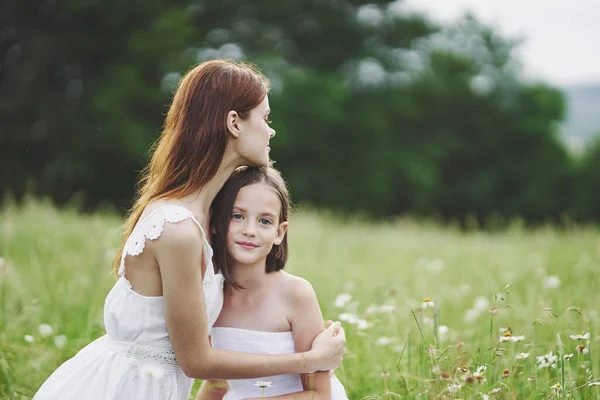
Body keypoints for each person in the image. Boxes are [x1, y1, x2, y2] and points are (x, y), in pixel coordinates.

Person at [34, 59, 345, 400]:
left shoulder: (203, 217)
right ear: (234, 123)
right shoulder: (179, 229)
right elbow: (197, 361)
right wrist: (309, 360)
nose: (271, 130)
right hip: (132, 388)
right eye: (265, 118)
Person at [196, 166, 348, 400]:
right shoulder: (211, 296)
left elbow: (319, 395)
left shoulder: (295, 294)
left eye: (264, 221)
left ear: (280, 233)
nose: (250, 230)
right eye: (237, 216)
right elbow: (216, 384)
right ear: (215, 222)